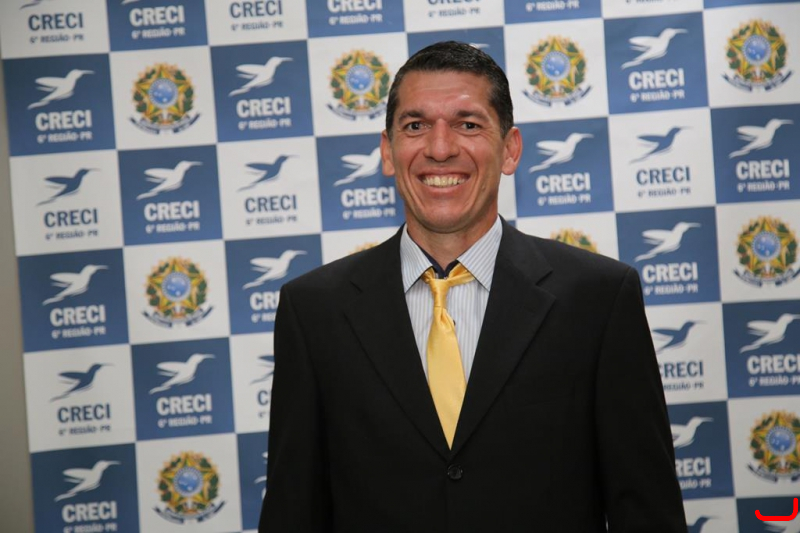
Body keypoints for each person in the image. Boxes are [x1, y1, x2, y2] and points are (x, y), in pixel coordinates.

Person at [259, 41, 686, 532]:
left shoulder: (599, 299)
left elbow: (647, 511)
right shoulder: (314, 311)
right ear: (387, 152)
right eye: (415, 126)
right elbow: (293, 511)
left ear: (510, 149)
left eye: (468, 124)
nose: (440, 149)